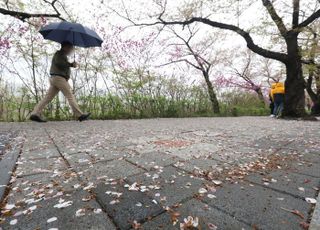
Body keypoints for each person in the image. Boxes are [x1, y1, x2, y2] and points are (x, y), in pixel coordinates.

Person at [30, 41, 91, 122]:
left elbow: (62, 64)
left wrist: (70, 64)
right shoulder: (60, 54)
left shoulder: (62, 55)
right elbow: (60, 64)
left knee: (47, 98)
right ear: (66, 47)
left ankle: (35, 113)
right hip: (59, 78)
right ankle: (80, 115)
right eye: (71, 48)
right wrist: (71, 65)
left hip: (55, 78)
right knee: (70, 95)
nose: (71, 50)